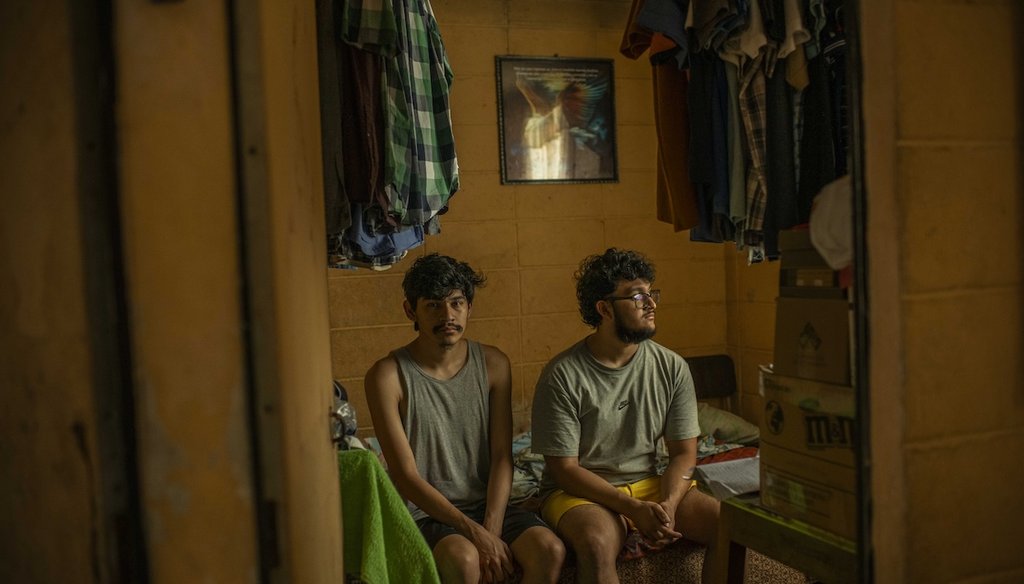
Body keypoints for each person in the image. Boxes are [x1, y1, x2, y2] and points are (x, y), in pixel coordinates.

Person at [365, 253, 565, 584]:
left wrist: (491, 529)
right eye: (433, 305)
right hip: (425, 513)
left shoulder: (494, 364)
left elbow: (503, 456)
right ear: (410, 310)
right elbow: (404, 476)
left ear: (469, 307)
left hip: (487, 507)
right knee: (464, 559)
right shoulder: (387, 376)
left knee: (550, 550)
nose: (448, 315)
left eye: (457, 303)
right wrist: (473, 532)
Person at [531, 248, 721, 584]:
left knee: (731, 525)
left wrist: (669, 505)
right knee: (595, 544)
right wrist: (631, 509)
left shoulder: (672, 367)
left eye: (651, 293)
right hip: (581, 492)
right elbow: (564, 469)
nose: (651, 304)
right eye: (637, 296)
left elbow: (684, 452)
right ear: (604, 309)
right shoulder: (562, 374)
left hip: (649, 483)